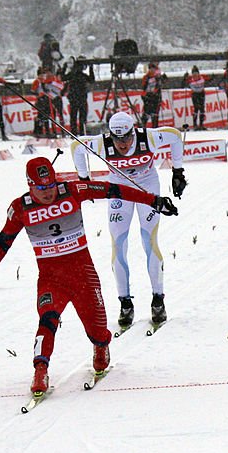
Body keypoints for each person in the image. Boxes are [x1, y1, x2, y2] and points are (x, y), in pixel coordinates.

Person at [0, 157, 178, 396]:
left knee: (97, 330)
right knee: (47, 320)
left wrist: (154, 200)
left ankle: (101, 346)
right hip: (51, 278)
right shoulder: (20, 208)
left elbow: (113, 190)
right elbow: (3, 241)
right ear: (30, 185)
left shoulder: (72, 190)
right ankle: (40, 370)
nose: (48, 193)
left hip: (83, 275)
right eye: (41, 188)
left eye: (50, 186)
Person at [72, 111, 187, 329]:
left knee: (149, 241)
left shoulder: (148, 138)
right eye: (117, 139)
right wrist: (84, 178)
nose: (122, 144)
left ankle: (158, 300)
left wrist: (178, 171)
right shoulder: (102, 144)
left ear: (133, 132)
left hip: (147, 187)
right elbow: (76, 146)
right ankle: (125, 303)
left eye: (126, 138)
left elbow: (174, 134)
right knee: (118, 244)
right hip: (118, 191)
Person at [63, 59, 95, 136]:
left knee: (73, 117)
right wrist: (91, 69)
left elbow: (62, 78)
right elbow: (91, 80)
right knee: (82, 118)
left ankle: (74, 133)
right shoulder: (82, 76)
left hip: (74, 99)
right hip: (82, 99)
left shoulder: (71, 75)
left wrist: (64, 68)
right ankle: (82, 132)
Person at [183, 66, 209, 131]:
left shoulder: (202, 77)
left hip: (201, 93)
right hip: (194, 94)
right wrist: (185, 78)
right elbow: (183, 83)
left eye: (196, 73)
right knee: (196, 108)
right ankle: (195, 125)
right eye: (193, 74)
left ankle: (201, 124)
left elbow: (209, 79)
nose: (195, 75)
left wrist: (212, 78)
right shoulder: (190, 79)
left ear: (198, 73)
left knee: (202, 109)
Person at [141, 62, 165, 128]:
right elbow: (143, 87)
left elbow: (161, 85)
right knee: (146, 113)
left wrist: (162, 79)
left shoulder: (158, 77)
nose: (152, 70)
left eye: (153, 69)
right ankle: (142, 127)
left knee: (155, 114)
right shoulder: (146, 77)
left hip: (156, 97)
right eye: (151, 69)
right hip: (148, 97)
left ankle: (155, 128)